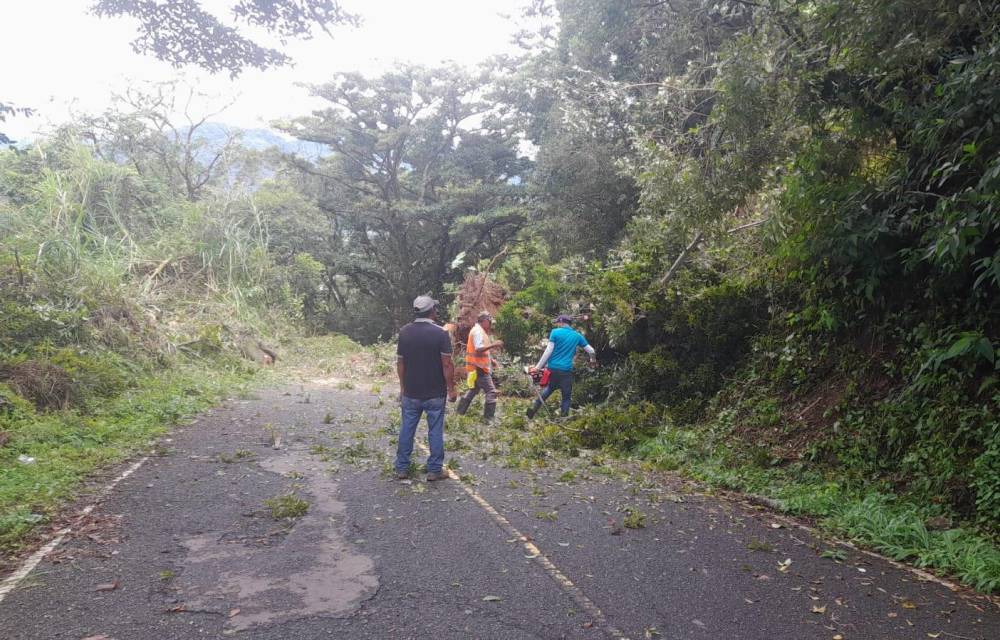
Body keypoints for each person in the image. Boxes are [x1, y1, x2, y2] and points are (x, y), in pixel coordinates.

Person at [395, 295, 457, 481]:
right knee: (435, 431)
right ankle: (434, 470)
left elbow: (400, 364)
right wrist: (451, 388)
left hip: (411, 392)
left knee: (407, 429)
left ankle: (402, 468)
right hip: (435, 393)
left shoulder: (404, 332)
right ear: (432, 311)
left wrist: (403, 387)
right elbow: (447, 364)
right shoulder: (440, 334)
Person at [527, 314, 597, 418]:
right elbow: (591, 351)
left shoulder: (555, 332)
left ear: (561, 322)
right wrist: (592, 360)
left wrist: (537, 367)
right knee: (566, 396)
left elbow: (548, 351)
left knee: (550, 388)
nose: (557, 324)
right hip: (566, 371)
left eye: (558, 322)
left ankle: (533, 409)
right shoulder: (577, 336)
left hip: (552, 369)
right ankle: (563, 419)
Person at [456, 311, 504, 421]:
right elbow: (478, 349)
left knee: (473, 390)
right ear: (485, 321)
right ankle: (488, 420)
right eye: (490, 322)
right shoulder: (478, 332)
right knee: (491, 392)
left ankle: (459, 413)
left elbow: (481, 350)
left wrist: (491, 360)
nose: (491, 324)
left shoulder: (479, 331)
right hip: (479, 368)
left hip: (475, 367)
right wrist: (494, 344)